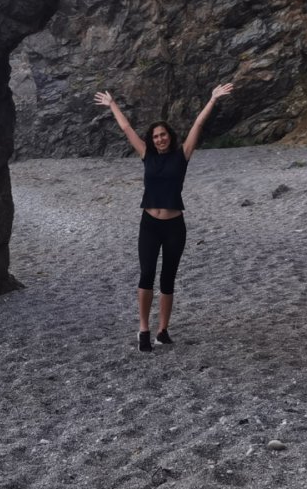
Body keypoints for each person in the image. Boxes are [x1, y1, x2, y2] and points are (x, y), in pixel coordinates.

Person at [94, 82, 235, 352]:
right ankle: (144, 329)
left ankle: (163, 330)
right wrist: (113, 105)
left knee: (168, 278)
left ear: (170, 136)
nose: (160, 138)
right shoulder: (147, 155)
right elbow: (126, 129)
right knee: (146, 274)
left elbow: (197, 126)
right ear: (151, 139)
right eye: (155, 136)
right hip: (149, 224)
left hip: (174, 226)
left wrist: (213, 99)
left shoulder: (181, 156)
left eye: (163, 135)